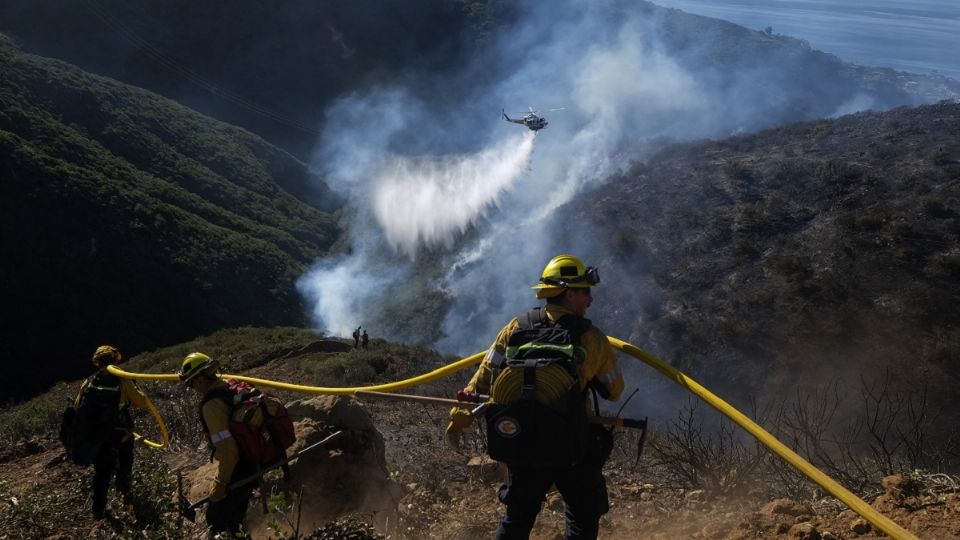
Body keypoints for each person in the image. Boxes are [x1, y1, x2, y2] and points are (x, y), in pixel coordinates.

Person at [446, 254, 624, 539]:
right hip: (570, 444)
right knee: (581, 516)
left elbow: (483, 379)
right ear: (568, 293)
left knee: (517, 518)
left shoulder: (515, 328)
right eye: (585, 292)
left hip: (521, 441)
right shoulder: (591, 337)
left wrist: (463, 408)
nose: (590, 300)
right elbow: (614, 391)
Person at [179, 352, 257, 539]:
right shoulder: (230, 385)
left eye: (191, 383)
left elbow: (229, 450)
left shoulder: (211, 406)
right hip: (253, 456)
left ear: (198, 379)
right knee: (236, 516)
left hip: (240, 466)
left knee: (217, 520)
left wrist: (220, 485)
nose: (193, 388)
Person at [77, 345, 147, 519]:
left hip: (98, 435)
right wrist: (136, 388)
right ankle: (124, 495)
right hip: (121, 434)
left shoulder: (89, 381)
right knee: (124, 464)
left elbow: (78, 406)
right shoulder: (123, 380)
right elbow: (140, 402)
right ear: (116, 359)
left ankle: (98, 511)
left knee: (101, 471)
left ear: (97, 362)